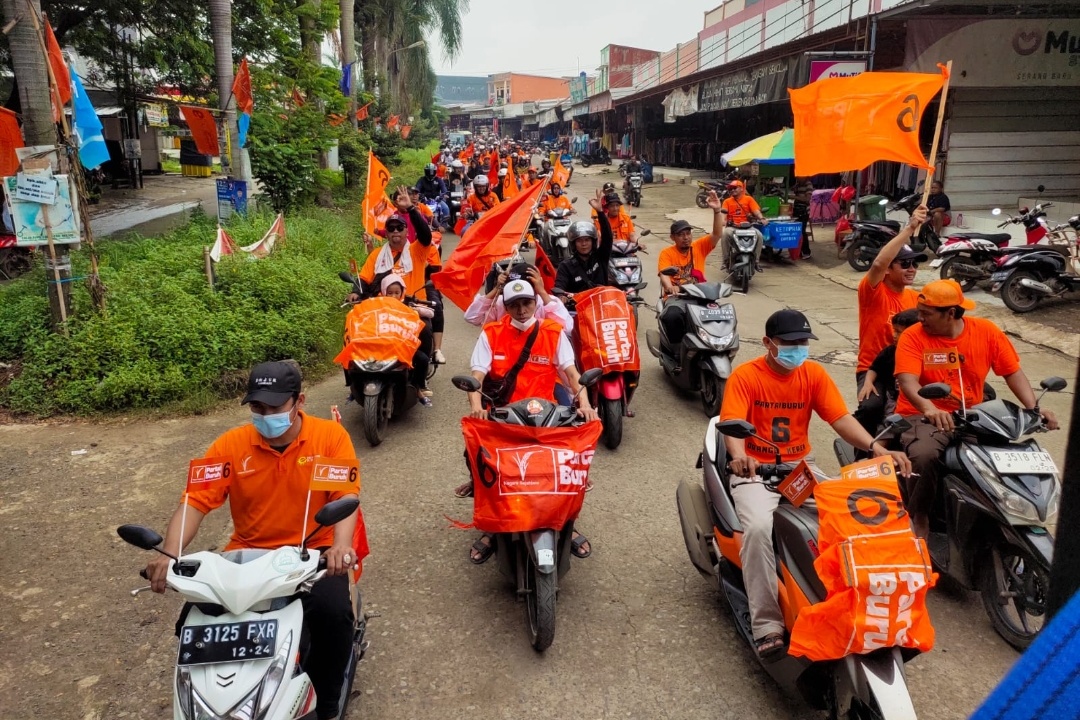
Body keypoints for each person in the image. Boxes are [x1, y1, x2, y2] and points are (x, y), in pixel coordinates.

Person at [145, 361, 361, 720]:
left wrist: (340, 547)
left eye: (274, 408)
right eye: (257, 408)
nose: (264, 416)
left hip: (312, 551)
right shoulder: (230, 445)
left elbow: (343, 497)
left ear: (300, 401)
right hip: (247, 554)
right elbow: (195, 503)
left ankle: (326, 704)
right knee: (193, 622)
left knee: (334, 614)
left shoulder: (330, 438)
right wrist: (170, 553)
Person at [720, 310, 911, 659]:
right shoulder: (746, 377)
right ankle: (766, 625)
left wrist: (876, 447)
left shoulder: (813, 374)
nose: (798, 349)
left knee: (851, 514)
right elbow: (732, 422)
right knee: (760, 528)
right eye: (790, 343)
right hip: (755, 469)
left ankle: (864, 605)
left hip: (797, 469)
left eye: (803, 343)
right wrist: (740, 456)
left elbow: (839, 419)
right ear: (768, 343)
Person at [894, 280, 1058, 538]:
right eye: (920, 311)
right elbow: (907, 381)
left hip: (973, 414)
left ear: (950, 313)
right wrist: (929, 408)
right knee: (924, 454)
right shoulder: (913, 336)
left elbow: (1012, 372)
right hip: (923, 415)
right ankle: (920, 515)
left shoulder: (986, 331)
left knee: (1008, 456)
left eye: (926, 313)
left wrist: (1035, 409)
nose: (920, 318)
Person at [464, 279, 599, 563]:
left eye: (526, 303)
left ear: (535, 303)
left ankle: (568, 521)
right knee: (477, 456)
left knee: (569, 465)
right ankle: (492, 527)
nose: (522, 310)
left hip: (547, 415)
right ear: (506, 307)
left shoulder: (553, 331)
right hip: (506, 415)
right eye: (514, 305)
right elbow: (476, 378)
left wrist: (585, 404)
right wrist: (477, 408)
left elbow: (572, 374)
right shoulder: (491, 333)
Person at [856, 206, 929, 396]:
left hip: (908, 368)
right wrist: (910, 228)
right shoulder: (872, 293)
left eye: (915, 264)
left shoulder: (917, 300)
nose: (911, 269)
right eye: (905, 264)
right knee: (870, 409)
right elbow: (879, 263)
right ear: (888, 269)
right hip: (873, 369)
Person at [359, 187, 435, 299]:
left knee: (436, 305)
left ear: (407, 231)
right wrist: (356, 292)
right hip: (383, 309)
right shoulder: (377, 254)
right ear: (386, 233)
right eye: (391, 228)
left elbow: (426, 235)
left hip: (414, 309)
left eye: (399, 227)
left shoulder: (417, 250)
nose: (395, 231)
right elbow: (364, 279)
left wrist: (410, 208)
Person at [854, 308, 920, 436]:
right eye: (894, 330)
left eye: (899, 332)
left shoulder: (924, 352)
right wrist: (868, 383)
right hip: (894, 399)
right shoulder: (890, 351)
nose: (894, 335)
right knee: (887, 429)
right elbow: (874, 368)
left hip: (912, 401)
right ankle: (871, 450)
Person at [657, 190, 725, 296]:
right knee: (672, 312)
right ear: (672, 237)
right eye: (680, 235)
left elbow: (717, 234)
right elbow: (663, 274)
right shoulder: (666, 253)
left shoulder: (699, 246)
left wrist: (717, 210)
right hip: (676, 296)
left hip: (699, 294)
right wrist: (670, 287)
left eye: (688, 233)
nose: (686, 238)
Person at [379, 274, 434, 402]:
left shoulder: (408, 304)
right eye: (389, 293)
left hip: (404, 347)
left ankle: (418, 386)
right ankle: (355, 387)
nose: (393, 296)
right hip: (381, 346)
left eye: (396, 293)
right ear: (383, 292)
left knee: (423, 359)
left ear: (402, 292)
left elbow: (430, 312)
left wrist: (415, 310)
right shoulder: (377, 305)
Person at [553, 190, 614, 294]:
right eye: (580, 241)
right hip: (578, 309)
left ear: (593, 241)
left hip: (603, 306)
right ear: (573, 243)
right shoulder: (566, 266)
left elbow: (608, 237)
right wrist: (561, 296)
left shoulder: (600, 257)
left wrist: (600, 212)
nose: (584, 244)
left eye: (587, 240)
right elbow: (559, 287)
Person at [719, 180, 767, 271]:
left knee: (759, 235)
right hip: (733, 227)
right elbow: (723, 215)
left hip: (748, 227)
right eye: (731, 189)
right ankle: (725, 261)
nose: (732, 190)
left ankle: (756, 261)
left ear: (741, 188)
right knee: (725, 234)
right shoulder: (727, 201)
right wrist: (722, 221)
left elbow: (756, 211)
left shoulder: (749, 199)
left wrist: (762, 218)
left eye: (734, 188)